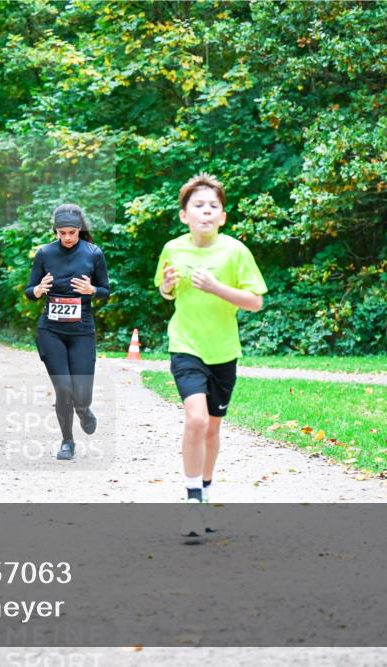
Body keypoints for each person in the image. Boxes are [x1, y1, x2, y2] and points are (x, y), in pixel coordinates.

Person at [154, 173, 267, 541]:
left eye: (212, 207)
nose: (205, 212)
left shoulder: (235, 252)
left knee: (213, 427)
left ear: (222, 216)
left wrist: (217, 287)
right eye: (198, 206)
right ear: (184, 215)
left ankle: (205, 489)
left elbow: (255, 302)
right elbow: (165, 290)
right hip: (185, 344)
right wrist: (168, 287)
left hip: (223, 351)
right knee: (197, 420)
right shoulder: (173, 248)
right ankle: (191, 502)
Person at [25, 204, 111, 461]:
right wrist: (38, 290)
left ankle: (84, 409)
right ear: (56, 231)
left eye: (72, 232)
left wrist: (92, 291)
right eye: (62, 233)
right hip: (51, 330)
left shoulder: (93, 253)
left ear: (80, 230)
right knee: (63, 387)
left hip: (82, 331)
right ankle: (67, 441)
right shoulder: (44, 253)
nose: (67, 238)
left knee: (82, 394)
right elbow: (30, 291)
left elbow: (105, 290)